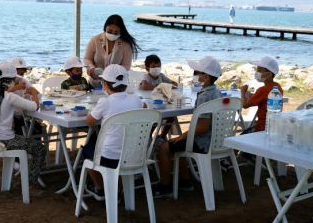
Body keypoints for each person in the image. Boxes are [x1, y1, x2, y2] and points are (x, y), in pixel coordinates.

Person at [154, 56, 222, 198]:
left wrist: (183, 136)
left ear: (206, 76)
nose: (194, 76)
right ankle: (185, 181)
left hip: (203, 141)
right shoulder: (216, 92)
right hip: (215, 139)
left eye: (197, 72)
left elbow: (202, 127)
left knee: (164, 147)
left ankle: (165, 186)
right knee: (180, 144)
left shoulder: (204, 97)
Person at [81, 64, 145, 200]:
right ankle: (119, 189)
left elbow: (89, 121)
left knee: (87, 150)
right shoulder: (136, 100)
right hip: (132, 155)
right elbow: (144, 107)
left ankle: (100, 188)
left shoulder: (105, 102)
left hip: (109, 158)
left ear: (105, 84)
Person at [0, 61, 46, 183]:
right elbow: (34, 106)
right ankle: (30, 180)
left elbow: (6, 95)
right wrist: (33, 92)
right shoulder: (10, 97)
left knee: (28, 140)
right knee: (40, 149)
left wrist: (16, 88)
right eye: (14, 79)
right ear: (9, 81)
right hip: (7, 141)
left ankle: (24, 172)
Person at [84, 14, 140, 88]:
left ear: (120, 32)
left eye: (116, 33)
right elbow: (87, 59)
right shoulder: (95, 40)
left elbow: (126, 66)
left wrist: (113, 73)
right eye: (109, 31)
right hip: (95, 83)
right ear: (105, 28)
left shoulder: (125, 45)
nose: (112, 34)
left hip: (115, 85)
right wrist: (92, 69)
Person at [240, 56, 283, 132]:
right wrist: (252, 96)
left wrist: (242, 91)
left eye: (260, 70)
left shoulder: (263, 89)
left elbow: (245, 105)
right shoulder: (277, 87)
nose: (257, 72)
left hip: (262, 127)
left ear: (269, 74)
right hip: (273, 126)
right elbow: (263, 100)